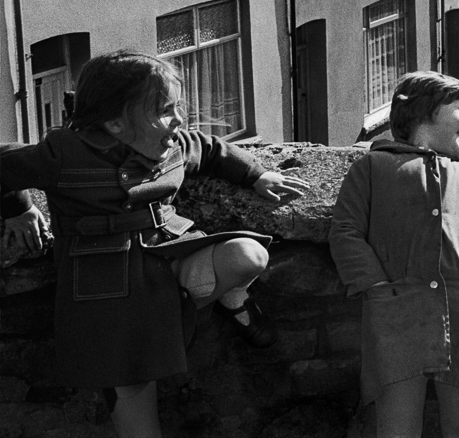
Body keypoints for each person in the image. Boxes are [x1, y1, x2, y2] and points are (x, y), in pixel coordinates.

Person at [0, 50, 309, 438]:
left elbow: (210, 148)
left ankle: (228, 299)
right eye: (164, 110)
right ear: (114, 123)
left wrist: (256, 174)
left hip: (170, 255)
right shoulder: (64, 154)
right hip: (102, 284)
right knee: (132, 393)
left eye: (177, 106)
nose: (178, 119)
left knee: (248, 255)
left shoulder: (172, 144)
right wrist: (18, 209)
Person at [329, 71, 459, 438]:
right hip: (397, 314)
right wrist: (377, 288)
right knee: (396, 428)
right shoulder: (372, 167)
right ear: (425, 109)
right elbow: (346, 231)